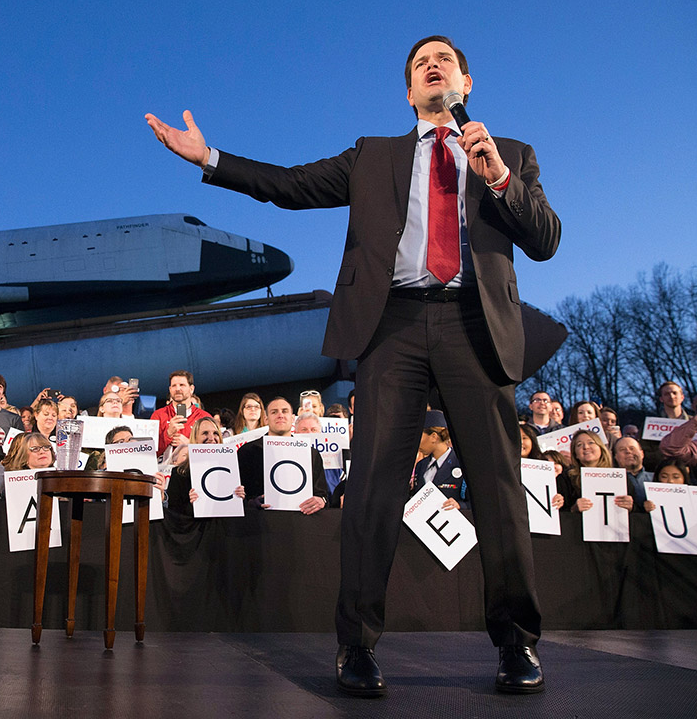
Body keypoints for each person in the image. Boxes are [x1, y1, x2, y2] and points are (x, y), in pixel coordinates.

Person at [147, 34, 559, 695]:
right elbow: (288, 186)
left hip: (475, 326)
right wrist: (211, 158)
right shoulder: (373, 156)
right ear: (408, 92)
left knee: (499, 490)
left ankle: (517, 642)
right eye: (421, 63)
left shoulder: (510, 154)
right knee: (371, 487)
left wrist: (500, 180)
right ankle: (358, 646)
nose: (433, 65)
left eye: (445, 60)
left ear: (467, 82)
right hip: (391, 323)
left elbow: (545, 241)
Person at [235, 397, 328, 513]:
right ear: (266, 419)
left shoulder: (311, 453)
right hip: (259, 523)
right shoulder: (247, 452)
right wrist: (250, 503)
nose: (280, 415)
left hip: (300, 522)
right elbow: (237, 493)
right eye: (274, 412)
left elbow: (322, 493)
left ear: (293, 418)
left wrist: (320, 500)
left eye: (285, 411)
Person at [165, 416, 246, 516]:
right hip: (195, 530)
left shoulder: (233, 470)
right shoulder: (179, 473)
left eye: (215, 433)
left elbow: (240, 513)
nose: (211, 438)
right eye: (205, 433)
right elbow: (174, 514)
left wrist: (240, 498)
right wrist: (191, 505)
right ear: (195, 438)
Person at [560, 430, 633, 515]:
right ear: (575, 454)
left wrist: (631, 506)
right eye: (579, 445)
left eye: (591, 442)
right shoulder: (566, 478)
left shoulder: (619, 477)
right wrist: (574, 509)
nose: (586, 447)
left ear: (601, 448)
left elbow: (638, 509)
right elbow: (560, 512)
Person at [149, 370, 212, 459]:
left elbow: (213, 452)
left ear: (191, 389)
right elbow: (150, 453)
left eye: (182, 385)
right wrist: (168, 434)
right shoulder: (158, 415)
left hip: (194, 469)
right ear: (170, 389)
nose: (178, 389)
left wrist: (190, 444)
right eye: (174, 386)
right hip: (164, 471)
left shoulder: (204, 417)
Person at [410, 410, 467, 509]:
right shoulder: (421, 465)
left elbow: (476, 502)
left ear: (433, 437)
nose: (417, 442)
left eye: (420, 436)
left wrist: (459, 505)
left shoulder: (461, 463)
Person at [612, 436, 651, 512]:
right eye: (622, 449)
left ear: (642, 453)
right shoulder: (610, 482)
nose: (628, 451)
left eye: (632, 448)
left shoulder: (656, 478)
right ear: (616, 457)